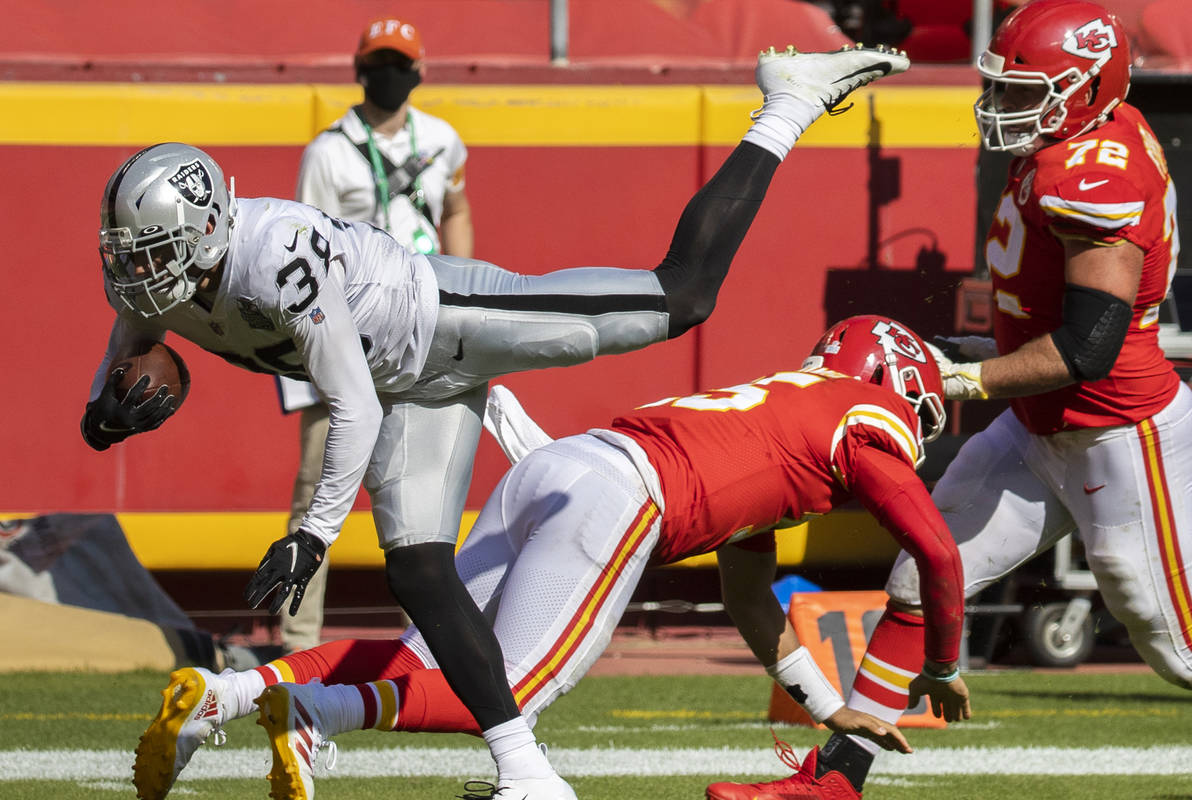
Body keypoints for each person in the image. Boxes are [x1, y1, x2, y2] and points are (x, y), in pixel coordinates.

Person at [93, 43, 911, 800]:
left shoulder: (274, 256)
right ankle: (523, 772)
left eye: (151, 250)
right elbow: (132, 341)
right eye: (130, 253)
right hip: (411, 389)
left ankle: (787, 101)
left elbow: (351, 403)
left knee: (679, 297)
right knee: (417, 572)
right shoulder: (155, 285)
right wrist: (102, 411)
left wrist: (311, 534)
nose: (137, 270)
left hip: (448, 320)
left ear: (205, 231)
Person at [126, 314, 965, 800]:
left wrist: (829, 709)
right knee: (506, 697)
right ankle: (315, 717)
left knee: (429, 655)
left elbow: (752, 604)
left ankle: (232, 693)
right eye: (919, 409)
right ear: (886, 380)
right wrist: (943, 661)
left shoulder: (779, 428)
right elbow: (937, 550)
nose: (916, 434)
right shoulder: (863, 418)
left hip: (557, 467)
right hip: (619, 498)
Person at [707, 2, 1191, 798]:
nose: (1003, 107)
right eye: (1001, 87)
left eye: (1026, 90)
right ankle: (833, 783)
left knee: (1176, 651)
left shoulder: (1094, 170)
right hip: (1042, 428)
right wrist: (964, 355)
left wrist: (961, 377)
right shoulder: (1071, 138)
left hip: (1121, 436)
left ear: (1086, 87)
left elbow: (1087, 348)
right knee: (919, 580)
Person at [274, 15, 475, 653]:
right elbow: (302, 247)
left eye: (400, 61)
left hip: (420, 328)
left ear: (419, 71)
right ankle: (297, 639)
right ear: (360, 69)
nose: (390, 73)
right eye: (380, 61)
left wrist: (461, 282)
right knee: (318, 486)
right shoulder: (328, 151)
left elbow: (458, 209)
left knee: (422, 490)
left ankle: (424, 641)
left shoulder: (443, 140)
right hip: (349, 334)